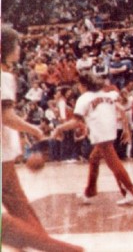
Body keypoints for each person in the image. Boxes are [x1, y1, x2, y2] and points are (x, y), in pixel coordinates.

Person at [1, 25, 83, 252]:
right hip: (2, 153)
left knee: (18, 207)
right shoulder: (4, 76)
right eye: (16, 44)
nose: (19, 49)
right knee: (18, 208)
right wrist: (35, 130)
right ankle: (53, 246)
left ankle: (40, 245)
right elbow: (5, 116)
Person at [53, 72, 133, 205]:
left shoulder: (83, 99)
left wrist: (59, 128)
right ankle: (90, 191)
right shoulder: (107, 94)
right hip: (110, 130)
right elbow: (122, 109)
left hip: (100, 133)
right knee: (94, 158)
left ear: (83, 85)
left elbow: (76, 122)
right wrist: (126, 130)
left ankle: (131, 191)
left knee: (113, 163)